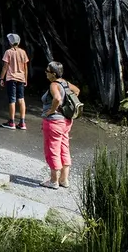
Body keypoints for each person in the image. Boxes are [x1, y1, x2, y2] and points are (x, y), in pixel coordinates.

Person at [40, 61, 80, 189]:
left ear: (53, 73)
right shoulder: (66, 83)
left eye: (47, 71)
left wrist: (51, 111)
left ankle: (53, 181)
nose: (45, 73)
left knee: (53, 150)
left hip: (54, 122)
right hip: (66, 122)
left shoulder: (54, 85)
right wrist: (65, 106)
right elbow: (77, 91)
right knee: (64, 148)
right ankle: (64, 179)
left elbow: (57, 98)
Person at [0, 33, 29, 130]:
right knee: (21, 99)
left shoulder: (8, 52)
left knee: (12, 100)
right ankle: (22, 122)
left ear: (10, 42)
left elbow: (5, 67)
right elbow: (25, 67)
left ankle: (11, 122)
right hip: (21, 78)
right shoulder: (23, 52)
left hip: (11, 78)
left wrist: (1, 78)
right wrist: (25, 79)